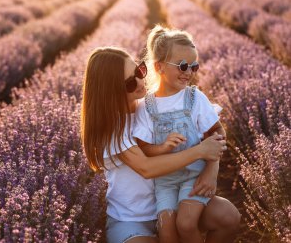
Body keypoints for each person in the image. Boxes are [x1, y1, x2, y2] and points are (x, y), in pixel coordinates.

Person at [80, 46, 240, 243]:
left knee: (229, 217)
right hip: (133, 220)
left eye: (139, 71)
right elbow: (147, 168)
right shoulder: (113, 128)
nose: (140, 81)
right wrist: (199, 152)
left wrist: (212, 169)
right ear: (110, 91)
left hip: (175, 199)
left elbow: (212, 133)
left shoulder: (151, 107)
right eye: (130, 82)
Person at [133, 25, 227, 243]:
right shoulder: (146, 106)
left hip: (195, 176)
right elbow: (144, 148)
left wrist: (212, 169)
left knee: (186, 223)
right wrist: (163, 147)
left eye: (194, 66)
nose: (189, 72)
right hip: (165, 181)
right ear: (159, 67)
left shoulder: (195, 98)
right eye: (183, 65)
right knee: (167, 232)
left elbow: (218, 133)